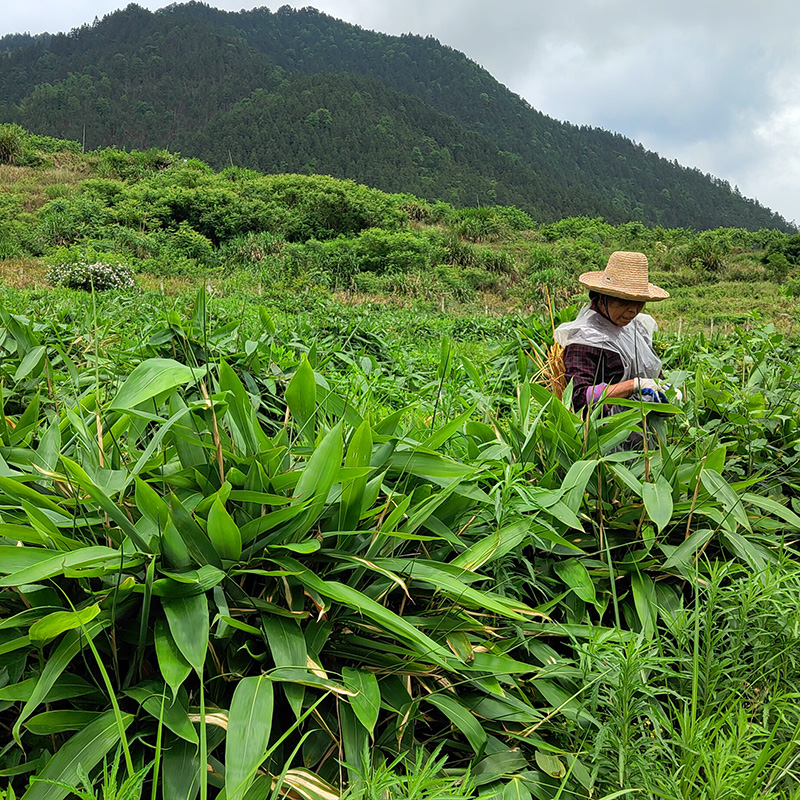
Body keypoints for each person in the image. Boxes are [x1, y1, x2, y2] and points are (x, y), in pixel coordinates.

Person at [554, 251, 669, 413]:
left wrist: (665, 392)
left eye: (639, 302)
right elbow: (578, 398)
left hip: (645, 431)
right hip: (606, 434)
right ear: (603, 297)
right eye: (624, 301)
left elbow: (651, 372)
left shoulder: (637, 327)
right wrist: (633, 385)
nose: (633, 310)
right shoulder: (585, 338)